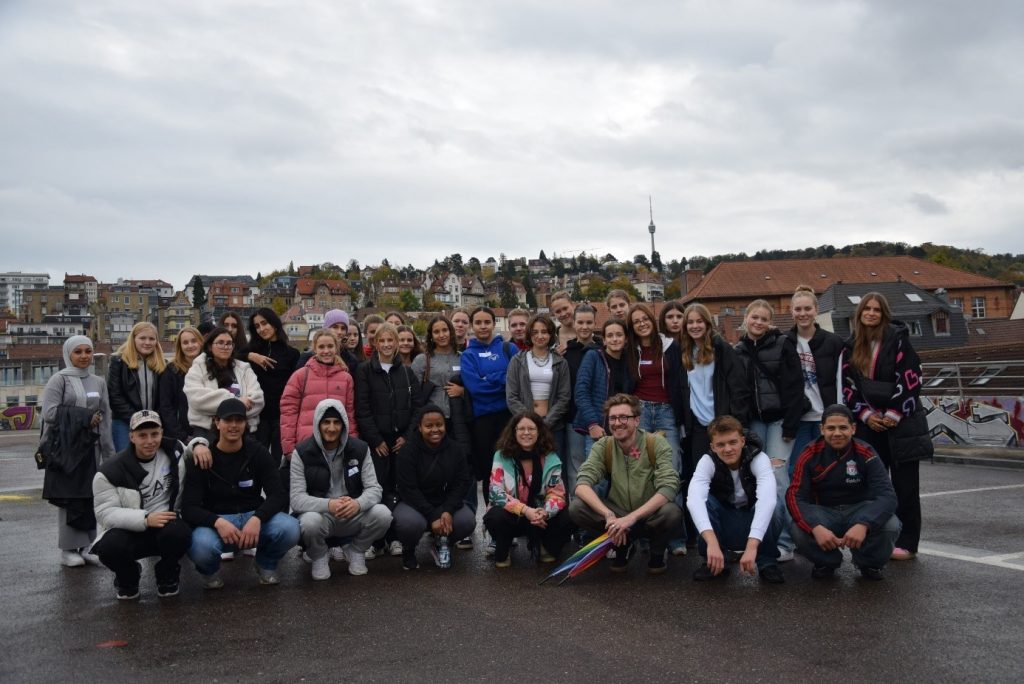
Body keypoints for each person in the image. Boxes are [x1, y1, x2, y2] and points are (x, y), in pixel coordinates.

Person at [841, 292, 931, 562]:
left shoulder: (899, 340)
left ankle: (908, 542)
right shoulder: (850, 345)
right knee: (873, 486)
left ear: (884, 314)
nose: (870, 313)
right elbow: (848, 387)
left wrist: (893, 413)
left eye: (876, 310)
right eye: (866, 309)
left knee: (905, 487)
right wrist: (866, 414)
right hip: (869, 425)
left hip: (902, 426)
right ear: (859, 314)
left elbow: (911, 379)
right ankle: (877, 537)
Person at [182, 398, 300, 588]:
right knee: (199, 546)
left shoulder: (258, 453)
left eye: (239, 420)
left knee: (291, 528)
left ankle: (265, 564)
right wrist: (217, 522)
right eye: (228, 420)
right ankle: (210, 573)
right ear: (216, 422)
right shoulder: (203, 456)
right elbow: (188, 508)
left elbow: (278, 494)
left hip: (252, 518)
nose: (234, 426)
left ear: (246, 423)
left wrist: (257, 518)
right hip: (216, 522)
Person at [569, 394, 682, 575]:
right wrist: (609, 515)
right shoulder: (603, 445)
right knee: (577, 507)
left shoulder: (656, 443)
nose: (617, 423)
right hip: (617, 511)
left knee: (672, 512)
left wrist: (632, 518)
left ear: (637, 420)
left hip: (648, 514)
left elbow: (669, 487)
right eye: (613, 418)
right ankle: (622, 544)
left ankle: (657, 552)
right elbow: (582, 484)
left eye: (624, 417)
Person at [787, 404, 901, 580]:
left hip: (859, 509)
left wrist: (864, 523)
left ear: (853, 429)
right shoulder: (808, 454)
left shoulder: (866, 452)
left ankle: (868, 563)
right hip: (824, 511)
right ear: (822, 429)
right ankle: (827, 562)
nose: (837, 433)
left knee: (890, 525)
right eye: (831, 428)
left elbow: (887, 496)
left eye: (843, 427)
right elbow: (795, 496)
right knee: (798, 529)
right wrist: (815, 526)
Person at [91, 410, 192, 599]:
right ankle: (127, 577)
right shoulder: (110, 471)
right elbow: (105, 512)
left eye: (155, 434)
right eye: (142, 435)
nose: (150, 441)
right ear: (131, 437)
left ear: (162, 433)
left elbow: (193, 450)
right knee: (109, 548)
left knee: (179, 533)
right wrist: (145, 519)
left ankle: (167, 575)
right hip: (130, 528)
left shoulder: (175, 450)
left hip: (165, 525)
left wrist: (200, 443)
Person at [733, 299, 804, 562]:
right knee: (753, 480)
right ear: (746, 318)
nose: (758, 322)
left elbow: (796, 386)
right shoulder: (738, 350)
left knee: (777, 479)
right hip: (754, 423)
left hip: (779, 422)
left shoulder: (783, 344)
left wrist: (791, 425)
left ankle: (784, 542)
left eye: (764, 318)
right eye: (755, 317)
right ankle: (756, 539)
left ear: (770, 321)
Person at [290, 399, 392, 580]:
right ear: (317, 424)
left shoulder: (360, 448)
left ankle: (357, 550)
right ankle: (319, 555)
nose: (331, 428)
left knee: (383, 514)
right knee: (308, 523)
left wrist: (357, 504)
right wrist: (329, 504)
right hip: (322, 514)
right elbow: (297, 499)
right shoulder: (302, 452)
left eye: (337, 422)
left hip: (351, 510)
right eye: (326, 422)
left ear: (344, 424)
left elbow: (374, 489)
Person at [41, 335, 115, 567]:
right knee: (70, 498)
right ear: (68, 354)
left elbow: (104, 417)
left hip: (90, 449)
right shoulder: (59, 380)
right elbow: (50, 413)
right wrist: (85, 417)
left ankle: (87, 546)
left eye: (88, 351)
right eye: (78, 352)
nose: (84, 356)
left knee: (91, 497)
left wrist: (108, 452)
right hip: (67, 451)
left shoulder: (98, 381)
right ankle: (68, 549)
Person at [686, 415, 784, 584]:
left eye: (733, 442)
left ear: (742, 441)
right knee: (703, 502)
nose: (728, 449)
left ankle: (767, 563)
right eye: (720, 444)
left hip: (752, 519)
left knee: (774, 504)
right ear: (712, 447)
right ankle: (715, 562)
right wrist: (712, 543)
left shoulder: (759, 458)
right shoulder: (707, 461)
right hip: (725, 520)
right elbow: (693, 500)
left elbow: (767, 501)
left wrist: (752, 547)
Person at [356, 322, 423, 557]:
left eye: (390, 340)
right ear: (375, 343)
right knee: (376, 489)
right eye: (381, 341)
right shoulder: (365, 371)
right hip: (377, 442)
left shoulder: (406, 371)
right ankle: (376, 540)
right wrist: (375, 440)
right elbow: (362, 409)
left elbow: (418, 408)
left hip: (401, 441)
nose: (386, 345)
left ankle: (395, 537)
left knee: (399, 489)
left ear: (396, 343)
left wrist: (407, 436)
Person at [626, 303, 686, 554]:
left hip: (664, 411)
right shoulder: (631, 350)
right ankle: (643, 536)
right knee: (640, 472)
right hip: (639, 411)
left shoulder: (670, 346)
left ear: (652, 320)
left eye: (645, 319)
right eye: (636, 321)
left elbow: (680, 382)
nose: (641, 323)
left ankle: (676, 538)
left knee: (670, 468)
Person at [458, 306, 517, 549]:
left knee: (511, 473)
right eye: (478, 322)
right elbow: (475, 388)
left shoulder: (508, 348)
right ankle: (494, 532)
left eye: (487, 322)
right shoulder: (468, 355)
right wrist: (499, 379)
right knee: (491, 476)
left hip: (508, 417)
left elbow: (514, 380)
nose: (483, 326)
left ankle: (511, 527)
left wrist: (491, 379)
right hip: (482, 421)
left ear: (494, 323)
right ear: (472, 326)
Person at [483, 412, 572, 567]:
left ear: (539, 432)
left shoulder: (550, 457)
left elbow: (557, 493)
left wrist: (545, 512)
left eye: (531, 429)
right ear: (514, 431)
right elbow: (496, 493)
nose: (526, 433)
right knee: (495, 516)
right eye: (521, 429)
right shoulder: (501, 455)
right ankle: (504, 548)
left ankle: (547, 546)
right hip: (514, 515)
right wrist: (525, 510)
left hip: (540, 516)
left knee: (570, 515)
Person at [394, 405, 475, 570]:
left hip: (444, 502)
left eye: (439, 424)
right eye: (429, 426)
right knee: (408, 524)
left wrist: (447, 510)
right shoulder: (408, 451)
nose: (435, 429)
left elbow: (461, 483)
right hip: (414, 504)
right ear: (419, 427)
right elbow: (408, 488)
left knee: (467, 521)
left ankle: (441, 541)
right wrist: (432, 515)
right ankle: (409, 548)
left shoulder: (455, 449)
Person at [785, 285, 845, 474]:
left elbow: (843, 381)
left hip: (827, 417)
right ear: (791, 311)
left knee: (830, 468)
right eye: (798, 309)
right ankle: (800, 504)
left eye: (807, 309)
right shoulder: (783, 342)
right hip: (800, 419)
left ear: (816, 310)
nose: (803, 313)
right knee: (797, 468)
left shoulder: (834, 342)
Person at [571, 319, 634, 493]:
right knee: (597, 479)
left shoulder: (629, 360)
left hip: (623, 429)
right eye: (610, 335)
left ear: (626, 338)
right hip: (598, 430)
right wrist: (592, 424)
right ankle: (595, 519)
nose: (615, 339)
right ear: (604, 340)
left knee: (621, 480)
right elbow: (581, 391)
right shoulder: (594, 357)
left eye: (619, 335)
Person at [280, 329, 358, 457]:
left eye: (330, 346)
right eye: (321, 347)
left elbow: (350, 414)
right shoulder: (301, 375)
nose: (326, 351)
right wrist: (288, 448)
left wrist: (352, 442)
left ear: (336, 348)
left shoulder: (346, 378)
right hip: (306, 444)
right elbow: (288, 412)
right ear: (315, 349)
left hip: (337, 446)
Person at [183, 326, 264, 439]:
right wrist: (237, 401)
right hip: (208, 432)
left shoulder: (244, 369)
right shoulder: (197, 369)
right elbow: (197, 400)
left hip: (243, 432)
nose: (225, 347)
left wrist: (219, 409)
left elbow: (258, 400)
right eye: (220, 343)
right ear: (210, 346)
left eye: (229, 343)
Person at [505, 314, 571, 448]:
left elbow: (564, 397)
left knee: (554, 467)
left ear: (551, 334)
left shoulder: (560, 362)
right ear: (529, 334)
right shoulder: (517, 361)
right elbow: (511, 397)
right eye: (535, 332)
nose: (540, 336)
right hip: (525, 427)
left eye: (544, 332)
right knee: (528, 467)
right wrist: (529, 422)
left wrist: (545, 423)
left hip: (553, 426)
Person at [244, 308, 300, 461]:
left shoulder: (292, 354)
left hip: (281, 418)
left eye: (264, 323)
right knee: (255, 463)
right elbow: (229, 355)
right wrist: (250, 355)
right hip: (257, 417)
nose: (262, 329)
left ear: (274, 323)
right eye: (257, 326)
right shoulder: (251, 351)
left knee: (278, 464)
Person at [410, 315, 471, 455]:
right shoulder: (422, 360)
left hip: (459, 417)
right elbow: (414, 394)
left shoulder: (463, 357)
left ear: (451, 332)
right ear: (431, 336)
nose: (441, 335)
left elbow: (473, 386)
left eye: (445, 330)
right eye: (436, 332)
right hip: (433, 419)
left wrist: (462, 391)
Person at [561, 303, 599, 497]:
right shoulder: (566, 353)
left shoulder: (602, 349)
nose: (584, 327)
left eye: (588, 322)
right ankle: (578, 513)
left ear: (594, 323)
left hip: (598, 419)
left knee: (597, 468)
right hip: (573, 418)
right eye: (580, 322)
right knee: (575, 467)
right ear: (574, 324)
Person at [107, 321, 165, 451]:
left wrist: (152, 419)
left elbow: (165, 397)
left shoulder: (162, 365)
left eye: (151, 339)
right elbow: (115, 396)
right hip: (124, 422)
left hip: (153, 423)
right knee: (125, 462)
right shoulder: (118, 362)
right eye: (142, 338)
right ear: (133, 339)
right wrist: (137, 420)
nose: (147, 342)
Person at [157, 325, 203, 444]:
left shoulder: (210, 368)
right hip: (181, 435)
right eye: (185, 342)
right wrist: (182, 436)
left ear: (201, 342)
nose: (190, 345)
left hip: (206, 431)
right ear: (180, 347)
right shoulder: (171, 371)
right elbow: (166, 407)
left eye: (194, 341)